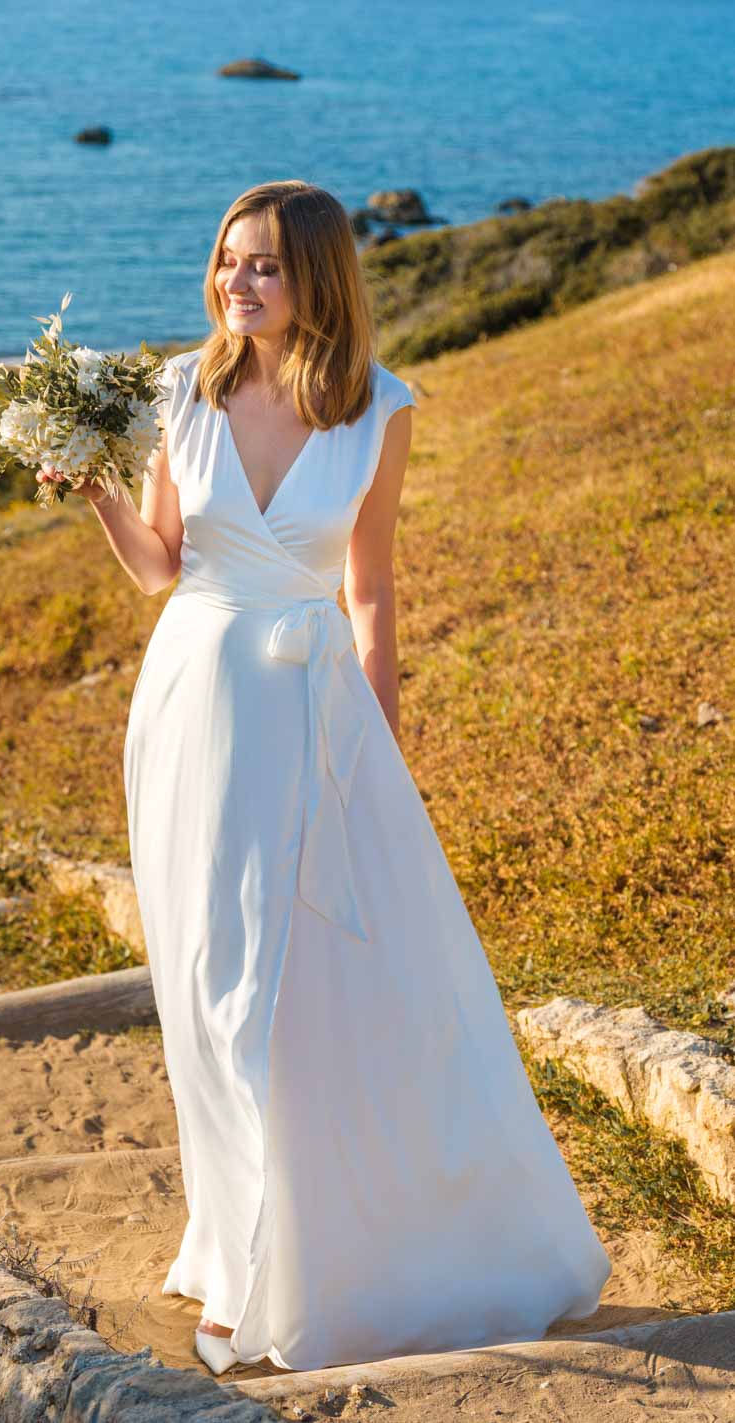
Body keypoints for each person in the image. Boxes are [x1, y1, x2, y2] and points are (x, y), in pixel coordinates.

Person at [51, 180, 612, 1377]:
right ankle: (238, 1247)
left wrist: (380, 750)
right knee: (208, 982)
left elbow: (369, 590)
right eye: (224, 261)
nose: (234, 283)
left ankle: (324, 1255)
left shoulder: (377, 409)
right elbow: (158, 568)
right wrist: (95, 486)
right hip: (193, 702)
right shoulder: (177, 396)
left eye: (261, 265)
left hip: (312, 713)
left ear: (316, 279)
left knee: (311, 987)